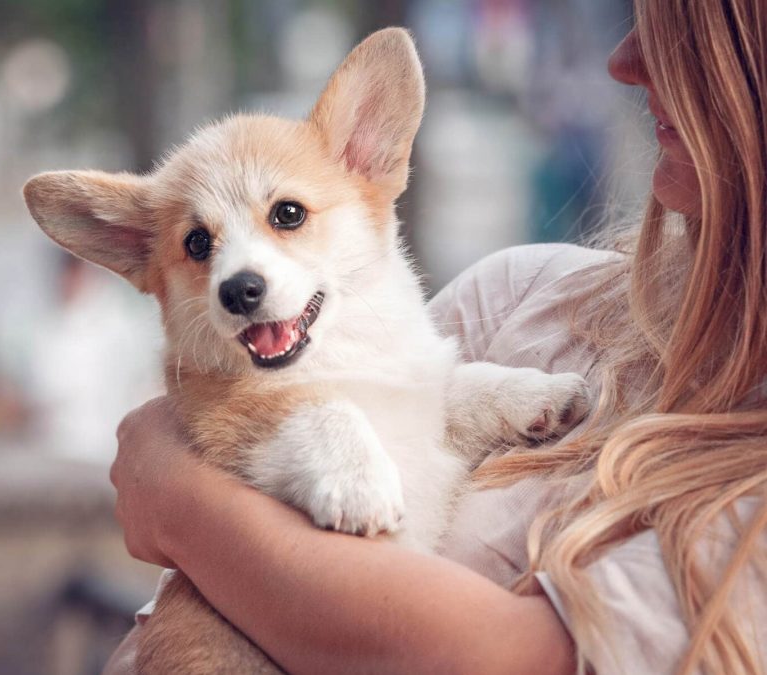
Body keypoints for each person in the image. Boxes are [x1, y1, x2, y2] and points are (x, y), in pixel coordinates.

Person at [106, 0, 767, 672]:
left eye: (683, 38)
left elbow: (516, 659)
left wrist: (179, 498)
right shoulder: (520, 298)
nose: (622, 63)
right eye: (199, 242)